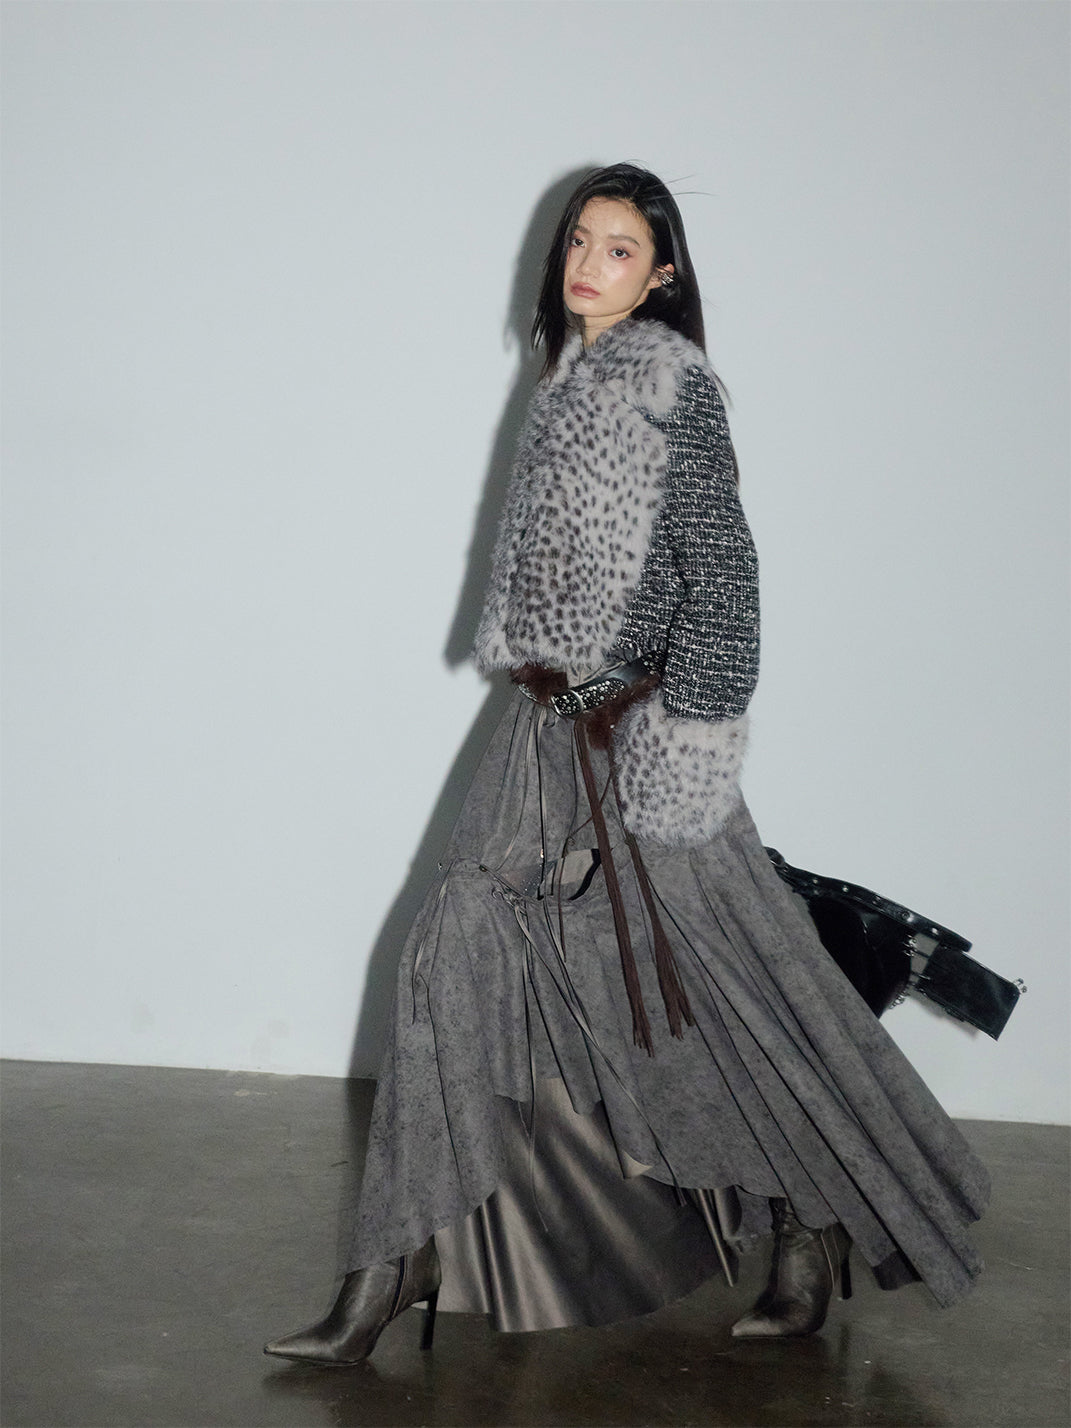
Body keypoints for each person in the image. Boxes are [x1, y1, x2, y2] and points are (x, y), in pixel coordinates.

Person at [264, 163, 989, 1365]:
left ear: (662, 275)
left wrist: (682, 755)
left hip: (645, 745)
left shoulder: (672, 388)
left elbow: (727, 588)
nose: (590, 265)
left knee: (729, 1002)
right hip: (539, 739)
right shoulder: (562, 384)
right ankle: (396, 1260)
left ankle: (809, 1228)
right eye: (579, 242)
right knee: (449, 949)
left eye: (620, 249)